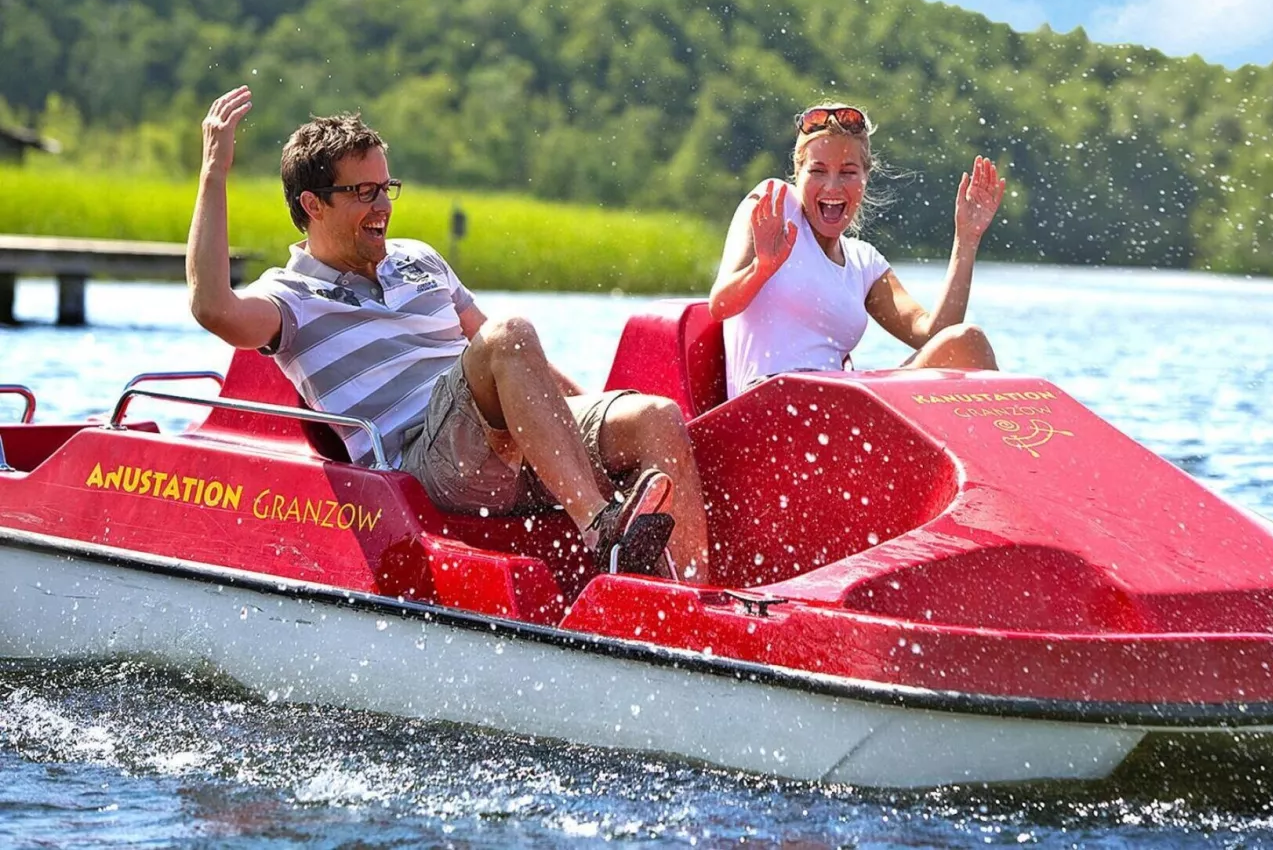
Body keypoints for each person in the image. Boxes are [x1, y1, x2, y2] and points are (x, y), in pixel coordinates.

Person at [184, 86, 709, 580]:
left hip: (504, 438)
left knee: (654, 418)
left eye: (386, 188)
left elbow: (515, 365)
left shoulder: (420, 259)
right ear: (312, 205)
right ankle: (602, 531)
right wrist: (213, 172)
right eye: (363, 192)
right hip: (424, 464)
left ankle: (690, 610)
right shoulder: (290, 297)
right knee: (509, 335)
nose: (383, 206)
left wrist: (582, 418)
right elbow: (213, 308)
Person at [709, 102, 1004, 392]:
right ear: (798, 173)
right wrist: (762, 269)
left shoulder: (864, 262)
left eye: (848, 172)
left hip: (835, 406)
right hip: (766, 403)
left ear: (865, 177)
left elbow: (934, 335)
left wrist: (967, 240)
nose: (833, 186)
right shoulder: (775, 205)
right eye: (818, 171)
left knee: (966, 341)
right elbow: (720, 306)